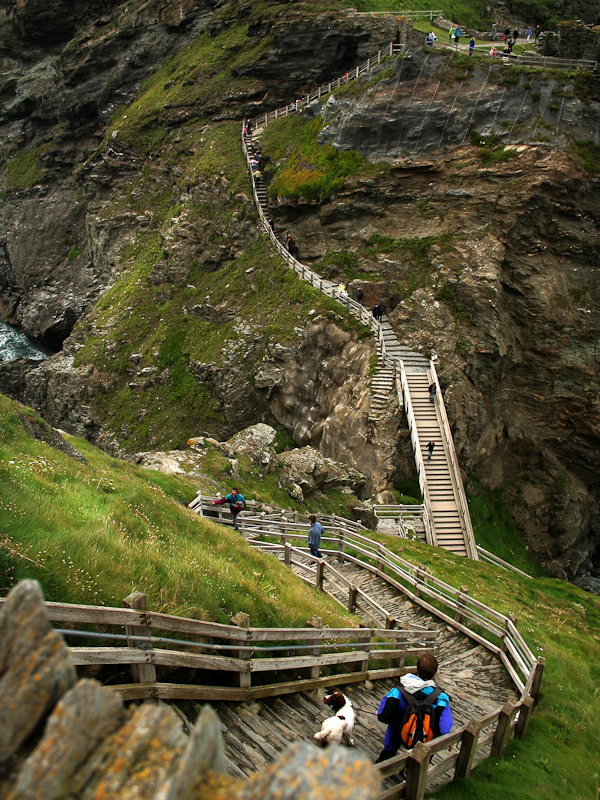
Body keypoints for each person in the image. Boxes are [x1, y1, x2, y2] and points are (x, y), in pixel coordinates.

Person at [375, 653, 453, 763]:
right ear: (434, 673)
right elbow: (444, 728)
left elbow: (383, 716)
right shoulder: (441, 698)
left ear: (417, 669)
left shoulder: (399, 690)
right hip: (426, 740)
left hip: (400, 734)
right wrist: (449, 742)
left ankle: (385, 759)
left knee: (395, 726)